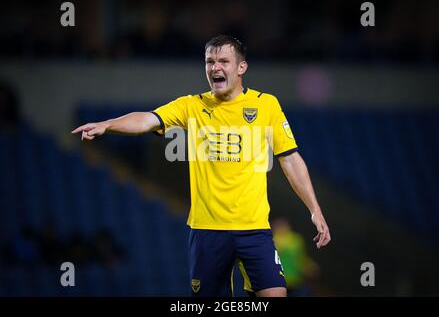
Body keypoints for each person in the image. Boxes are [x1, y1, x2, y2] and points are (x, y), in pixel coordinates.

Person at [72, 35, 331, 297]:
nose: (215, 67)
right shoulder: (191, 106)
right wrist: (108, 125)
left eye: (223, 61)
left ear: (241, 68)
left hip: (254, 229)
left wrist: (314, 209)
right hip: (208, 232)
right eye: (209, 61)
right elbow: (146, 120)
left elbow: (290, 158)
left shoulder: (266, 105)